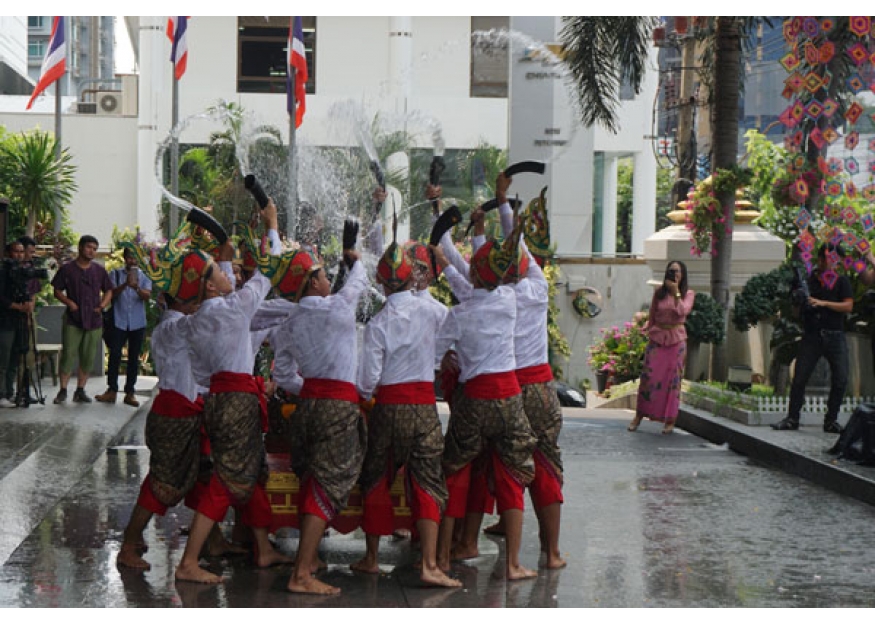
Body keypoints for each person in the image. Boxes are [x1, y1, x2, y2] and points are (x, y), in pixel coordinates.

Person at [174, 200, 292, 584]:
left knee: (251, 473)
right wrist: (272, 225)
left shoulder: (197, 320)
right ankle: (190, 560)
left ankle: (264, 548)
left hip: (220, 397)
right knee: (228, 480)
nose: (233, 275)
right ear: (210, 286)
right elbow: (270, 269)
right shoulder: (234, 309)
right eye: (221, 272)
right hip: (238, 400)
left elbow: (203, 373)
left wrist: (222, 252)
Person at [250, 238, 369, 595]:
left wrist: (311, 390)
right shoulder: (337, 307)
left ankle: (311, 558)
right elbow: (358, 283)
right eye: (321, 273)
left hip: (308, 408)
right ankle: (301, 573)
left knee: (312, 479)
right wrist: (355, 260)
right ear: (313, 282)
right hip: (337, 408)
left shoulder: (290, 318)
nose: (327, 278)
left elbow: (284, 375)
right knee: (327, 483)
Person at [352, 237, 461, 589]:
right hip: (424, 406)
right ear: (410, 278)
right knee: (429, 481)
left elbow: (367, 383)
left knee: (375, 476)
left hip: (388, 408)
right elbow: (454, 340)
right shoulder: (433, 310)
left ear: (383, 283)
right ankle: (430, 563)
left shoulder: (378, 324)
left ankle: (371, 557)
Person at [432, 236, 538, 581]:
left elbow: (436, 357)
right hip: (508, 396)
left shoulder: (458, 314)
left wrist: (444, 262)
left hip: (474, 399)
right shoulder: (508, 300)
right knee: (511, 475)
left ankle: (444, 555)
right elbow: (478, 282)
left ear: (475, 274)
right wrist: (449, 264)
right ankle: (513, 564)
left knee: (455, 471)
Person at [772, 243, 853, 433]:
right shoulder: (808, 281)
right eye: (828, 258)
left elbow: (848, 306)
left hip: (835, 335)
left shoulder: (842, 281)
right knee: (800, 378)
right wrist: (797, 300)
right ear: (820, 259)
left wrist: (823, 303)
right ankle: (792, 418)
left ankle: (831, 420)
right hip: (812, 335)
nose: (831, 263)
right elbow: (796, 312)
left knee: (841, 379)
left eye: (835, 259)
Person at [628, 260, 695, 435]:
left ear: (683, 275)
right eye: (672, 271)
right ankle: (639, 415)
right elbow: (652, 314)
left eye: (678, 272)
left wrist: (676, 294)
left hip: (676, 341)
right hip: (657, 339)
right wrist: (646, 329)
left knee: (672, 381)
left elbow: (682, 312)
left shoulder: (688, 294)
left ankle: (670, 419)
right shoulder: (659, 293)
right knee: (649, 378)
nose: (675, 275)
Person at [51, 235, 114, 404]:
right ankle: (63, 390)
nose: (91, 251)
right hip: (73, 318)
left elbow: (109, 290)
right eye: (88, 247)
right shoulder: (67, 269)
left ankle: (80, 390)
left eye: (94, 248)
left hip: (94, 319)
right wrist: (69, 302)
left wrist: (101, 306)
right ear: (80, 248)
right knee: (68, 354)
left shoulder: (99, 270)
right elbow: (56, 290)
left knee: (88, 356)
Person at [96, 248, 152, 407]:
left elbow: (147, 296)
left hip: (137, 322)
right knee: (114, 355)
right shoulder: (115, 274)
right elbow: (110, 293)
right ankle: (111, 390)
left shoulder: (143, 276)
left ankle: (130, 392)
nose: (132, 261)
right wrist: (125, 284)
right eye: (129, 258)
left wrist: (135, 287)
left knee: (134, 358)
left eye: (135, 258)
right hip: (118, 321)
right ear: (125, 258)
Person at [0, 241, 34, 407]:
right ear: (8, 253)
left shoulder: (23, 273)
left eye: (22, 252)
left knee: (15, 358)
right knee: (3, 359)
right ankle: (1, 394)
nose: (20, 255)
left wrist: (27, 308)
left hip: (20, 320)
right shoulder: (3, 272)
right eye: (16, 251)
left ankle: (10, 392)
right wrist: (17, 307)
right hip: (5, 321)